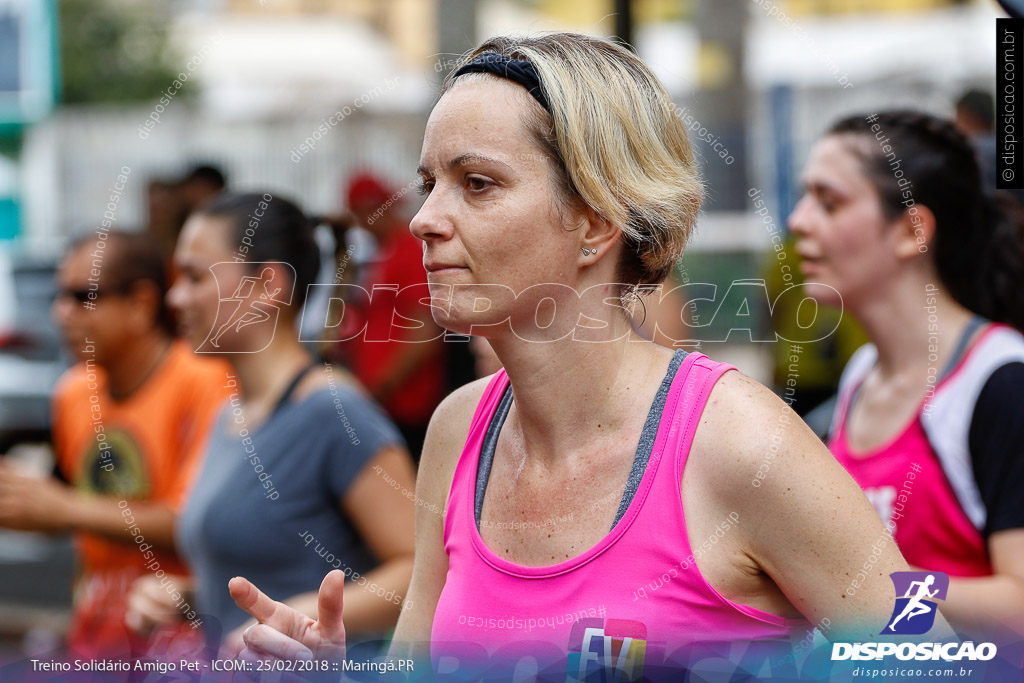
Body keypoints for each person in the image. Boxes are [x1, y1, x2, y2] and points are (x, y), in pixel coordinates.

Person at [225, 34, 940, 680]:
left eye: (477, 183)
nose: (424, 218)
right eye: (430, 182)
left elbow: (934, 657)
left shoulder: (738, 439)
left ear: (596, 222)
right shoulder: (459, 430)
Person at [126, 192, 417, 657]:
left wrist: (297, 617)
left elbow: (419, 571)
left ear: (267, 284)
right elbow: (266, 570)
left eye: (195, 276)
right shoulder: (229, 415)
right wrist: (187, 597)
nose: (175, 297)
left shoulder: (334, 411)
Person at [788, 111, 1024, 635]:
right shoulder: (861, 375)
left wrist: (881, 588)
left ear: (911, 230)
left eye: (829, 203)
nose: (799, 221)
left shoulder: (1002, 380)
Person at [0, 231, 229, 658]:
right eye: (59, 297)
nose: (60, 313)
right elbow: (68, 513)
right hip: (96, 641)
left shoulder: (205, 383)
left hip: (185, 646)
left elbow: (196, 525)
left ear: (141, 304)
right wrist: (22, 502)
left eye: (82, 296)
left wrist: (65, 506)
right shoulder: (71, 393)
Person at [333, 173, 447, 462]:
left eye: (359, 213)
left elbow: (424, 329)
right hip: (382, 400)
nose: (358, 222)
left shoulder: (409, 251)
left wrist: (384, 385)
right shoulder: (383, 250)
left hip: (405, 403)